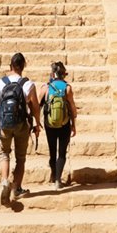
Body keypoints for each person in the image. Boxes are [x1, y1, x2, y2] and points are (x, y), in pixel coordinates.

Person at [0, 52, 41, 206]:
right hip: (21, 124)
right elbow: (35, 107)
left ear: (10, 66)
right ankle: (16, 188)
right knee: (21, 158)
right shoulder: (28, 84)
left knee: (4, 153)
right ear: (23, 66)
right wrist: (37, 124)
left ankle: (5, 181)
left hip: (4, 124)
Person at [38, 61, 77, 190]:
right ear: (63, 74)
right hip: (64, 124)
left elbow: (37, 106)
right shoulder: (67, 88)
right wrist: (73, 125)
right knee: (62, 153)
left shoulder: (45, 87)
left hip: (49, 124)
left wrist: (37, 123)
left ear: (52, 74)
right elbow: (72, 108)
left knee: (52, 151)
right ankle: (58, 180)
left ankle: (54, 175)